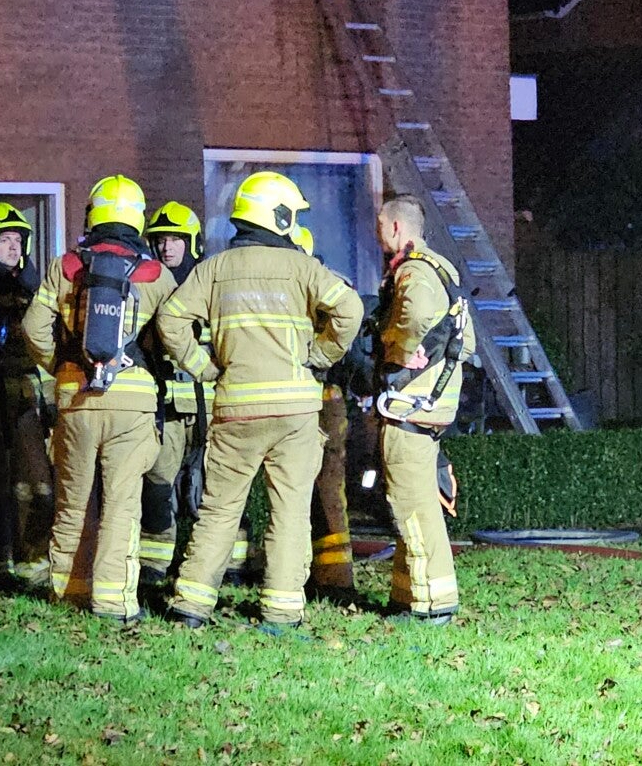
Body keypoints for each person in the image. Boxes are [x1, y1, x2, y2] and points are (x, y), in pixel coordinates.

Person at [159, 172, 362, 630]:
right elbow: (350, 310)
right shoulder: (302, 268)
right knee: (289, 511)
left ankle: (191, 605)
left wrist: (203, 366)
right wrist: (320, 355)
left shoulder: (214, 268)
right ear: (281, 216)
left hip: (236, 409)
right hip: (295, 412)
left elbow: (171, 320)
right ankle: (282, 610)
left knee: (220, 509)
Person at [22, 176, 177, 625]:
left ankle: (68, 592)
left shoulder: (66, 266)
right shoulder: (156, 274)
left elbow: (33, 328)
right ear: (138, 218)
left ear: (93, 214)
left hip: (76, 399)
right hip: (132, 401)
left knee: (73, 500)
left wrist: (62, 367)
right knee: (121, 503)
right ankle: (114, 602)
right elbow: (173, 334)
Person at [371, 195, 476, 625]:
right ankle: (407, 597)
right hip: (431, 407)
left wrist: (397, 350)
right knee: (414, 500)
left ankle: (434, 605)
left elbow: (412, 317)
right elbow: (465, 342)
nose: (377, 232)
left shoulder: (412, 271)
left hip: (409, 408)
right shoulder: (443, 268)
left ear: (396, 227)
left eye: (380, 224)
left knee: (411, 507)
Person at [0, 202, 56, 592]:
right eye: (3, 240)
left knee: (36, 485)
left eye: (17, 240)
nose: (12, 247)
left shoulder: (35, 290)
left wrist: (51, 401)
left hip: (25, 400)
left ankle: (33, 564)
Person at [137, 201, 207, 585]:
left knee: (211, 491)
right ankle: (153, 567)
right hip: (167, 408)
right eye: (161, 240)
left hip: (211, 410)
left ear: (192, 242)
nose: (167, 247)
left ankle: (221, 568)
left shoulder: (210, 284)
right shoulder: (150, 287)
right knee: (158, 486)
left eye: (176, 239)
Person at [294, 226, 357, 595]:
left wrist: (317, 357)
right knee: (311, 489)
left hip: (320, 398)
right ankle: (314, 572)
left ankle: (334, 578)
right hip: (307, 397)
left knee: (324, 488)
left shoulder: (323, 288)